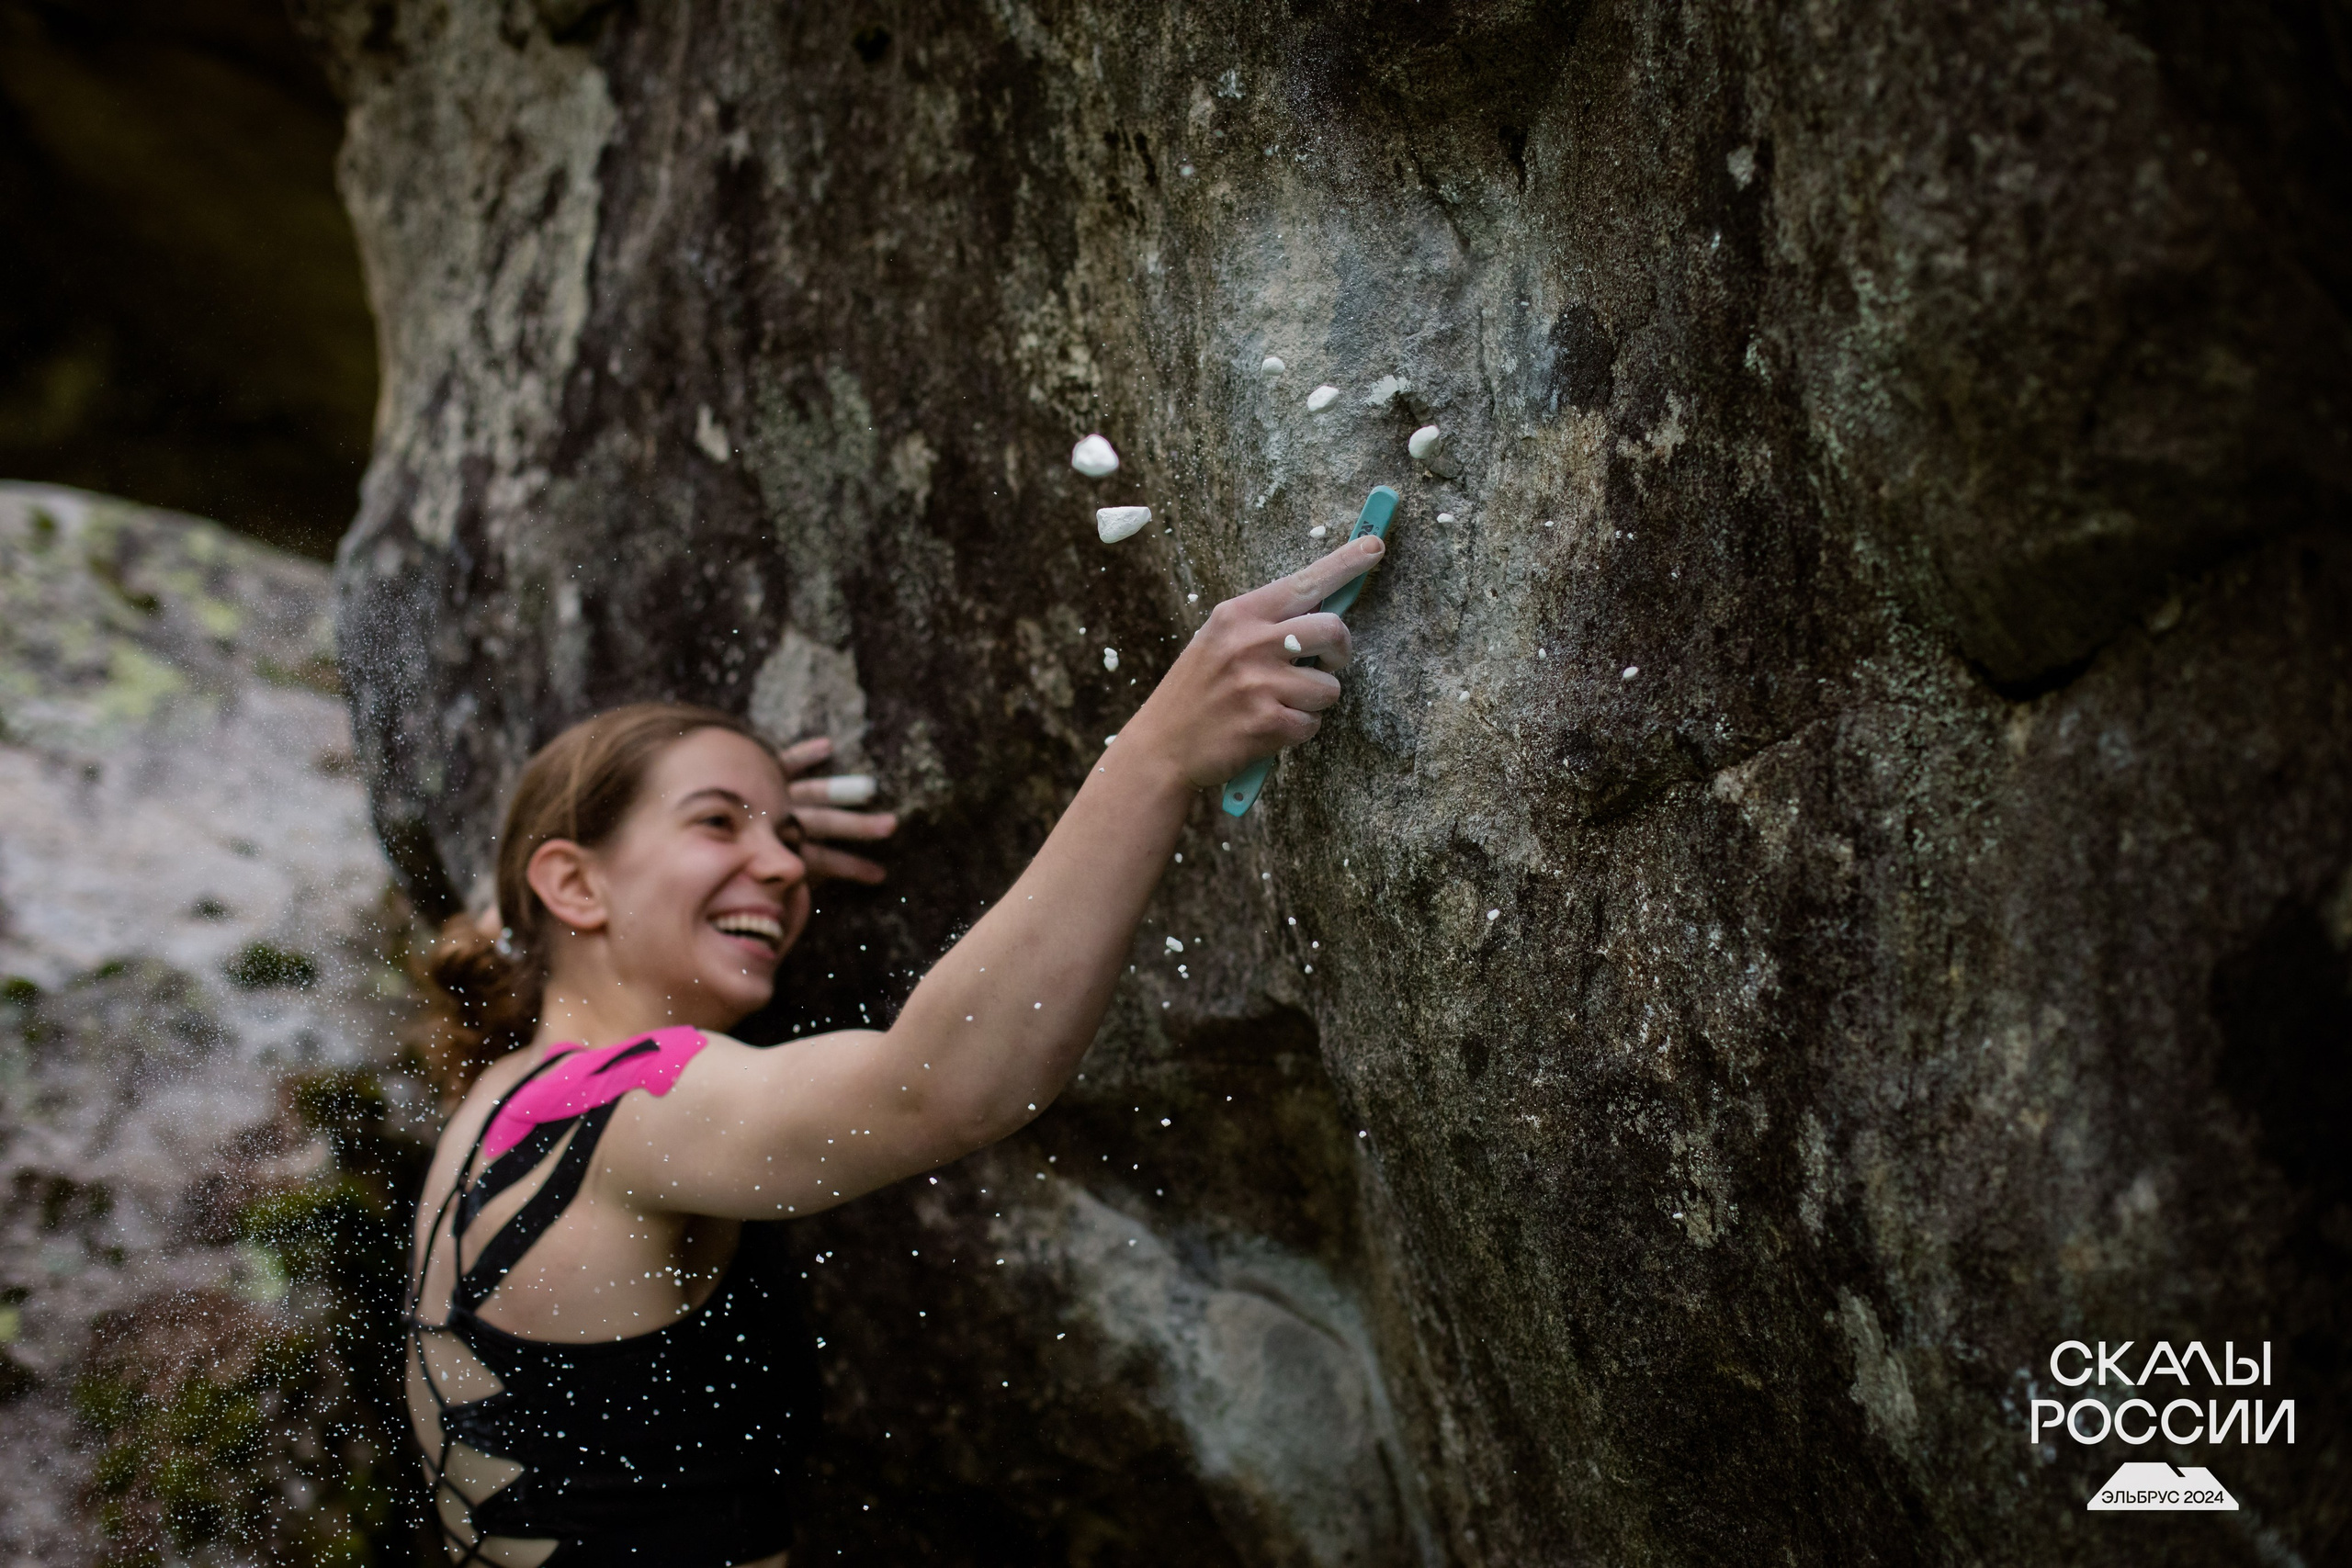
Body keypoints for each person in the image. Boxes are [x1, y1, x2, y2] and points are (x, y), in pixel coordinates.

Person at [401, 534, 1385, 1565]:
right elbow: (942, 1087)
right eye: (719, 824)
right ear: (573, 884)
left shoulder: (507, 1106)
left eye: (787, 837)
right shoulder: (625, 1108)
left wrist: (717, 855)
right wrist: (1161, 749)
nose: (782, 867)